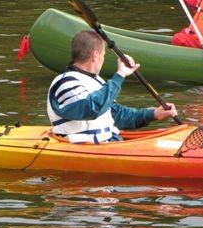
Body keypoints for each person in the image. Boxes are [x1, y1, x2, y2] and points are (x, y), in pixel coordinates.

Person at [47, 30, 178, 144]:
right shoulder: (65, 82)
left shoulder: (96, 81)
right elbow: (92, 109)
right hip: (85, 148)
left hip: (110, 142)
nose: (103, 60)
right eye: (103, 55)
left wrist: (154, 114)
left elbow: (117, 115)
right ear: (95, 55)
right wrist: (120, 75)